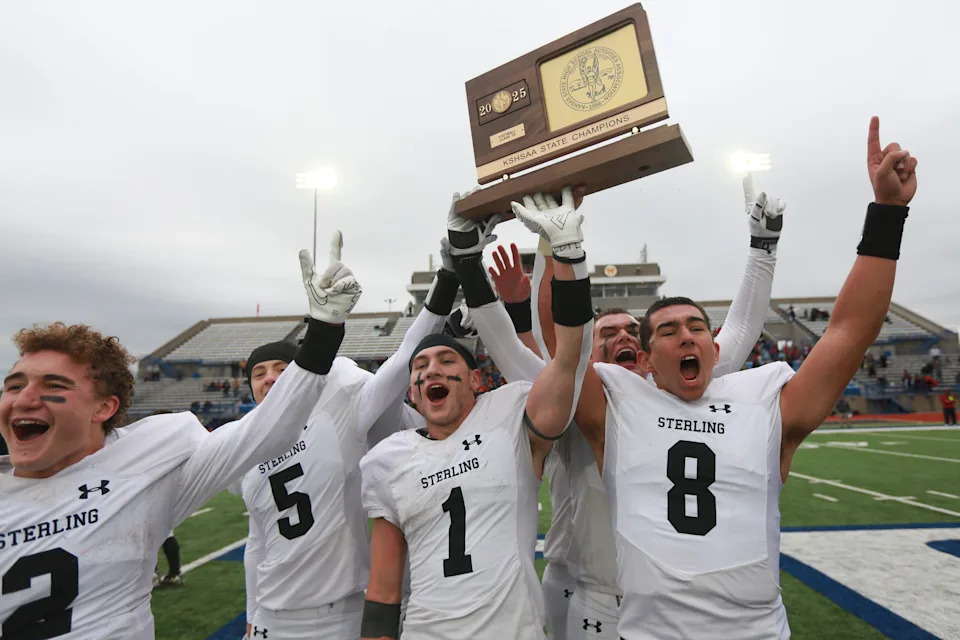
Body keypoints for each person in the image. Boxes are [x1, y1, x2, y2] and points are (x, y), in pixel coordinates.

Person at [564, 116, 916, 638]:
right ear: (646, 356)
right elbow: (564, 352)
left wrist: (887, 213)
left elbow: (849, 332)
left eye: (697, 327)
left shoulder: (762, 401)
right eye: (668, 331)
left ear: (714, 345)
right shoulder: (619, 404)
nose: (687, 336)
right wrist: (565, 255)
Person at [0, 234, 360, 639]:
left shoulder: (146, 462)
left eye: (53, 385)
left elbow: (269, 428)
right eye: (14, 385)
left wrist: (324, 332)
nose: (24, 399)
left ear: (104, 407)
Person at [480, 172, 785, 640]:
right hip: (589, 586)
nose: (623, 336)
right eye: (608, 332)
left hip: (668, 600)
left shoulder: (669, 390)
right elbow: (553, 336)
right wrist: (550, 248)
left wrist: (762, 248)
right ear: (590, 349)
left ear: (646, 354)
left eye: (631, 331)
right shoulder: (583, 398)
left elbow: (740, 332)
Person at [357, 188, 596, 640]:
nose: (432, 369)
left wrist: (569, 256)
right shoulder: (389, 457)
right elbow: (384, 591)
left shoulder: (509, 417)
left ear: (475, 380)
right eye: (421, 367)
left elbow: (569, 359)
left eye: (447, 360)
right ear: (412, 391)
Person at [238, 235, 462, 640]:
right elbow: (257, 543)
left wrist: (445, 281)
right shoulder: (246, 448)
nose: (269, 378)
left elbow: (400, 365)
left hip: (339, 613)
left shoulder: (336, 413)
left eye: (280, 370)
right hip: (272, 616)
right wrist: (252, 612)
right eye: (259, 373)